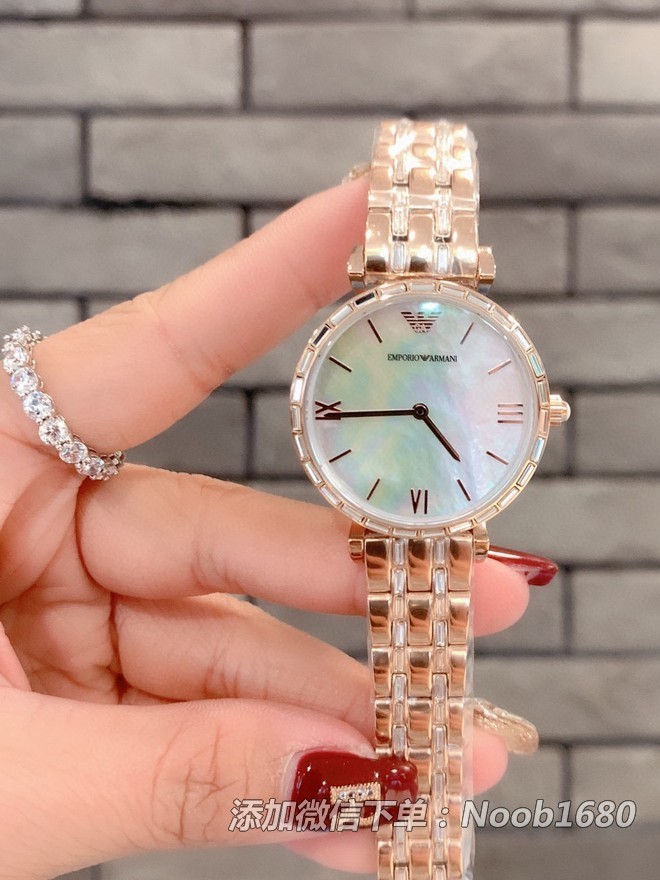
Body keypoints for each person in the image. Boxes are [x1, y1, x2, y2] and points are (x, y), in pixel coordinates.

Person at [0, 176, 553, 880]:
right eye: (413, 407)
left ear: (540, 411)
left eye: (431, 407)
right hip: (388, 519)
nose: (422, 409)